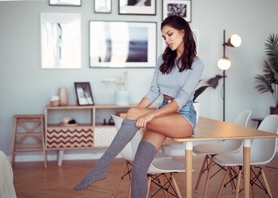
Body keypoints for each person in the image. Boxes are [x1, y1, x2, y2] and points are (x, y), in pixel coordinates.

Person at [74, 15, 204, 198]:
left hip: (183, 117)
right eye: (164, 37)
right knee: (139, 167)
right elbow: (153, 91)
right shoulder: (163, 59)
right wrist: (136, 112)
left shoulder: (196, 64)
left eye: (170, 34)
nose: (167, 40)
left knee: (135, 114)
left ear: (183, 32)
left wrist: (150, 115)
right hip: (164, 113)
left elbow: (181, 99)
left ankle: (100, 167)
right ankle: (101, 168)